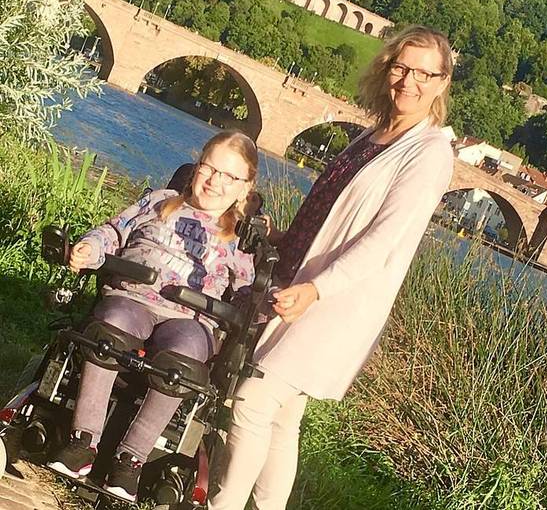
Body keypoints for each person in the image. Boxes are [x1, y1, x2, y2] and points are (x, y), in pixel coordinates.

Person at [209, 25, 455, 509]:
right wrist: (287, 239)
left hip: (335, 300)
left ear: (443, 82)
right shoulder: (374, 134)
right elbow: (330, 209)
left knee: (253, 403)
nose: (410, 81)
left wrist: (318, 288)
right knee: (281, 418)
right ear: (388, 68)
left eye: (425, 73)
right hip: (300, 280)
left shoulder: (429, 154)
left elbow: (383, 240)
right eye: (402, 67)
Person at [47, 130, 260, 502]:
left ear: (245, 188)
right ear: (196, 168)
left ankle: (131, 461)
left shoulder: (240, 240)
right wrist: (89, 249)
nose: (214, 182)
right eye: (209, 169)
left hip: (191, 319)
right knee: (112, 325)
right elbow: (114, 232)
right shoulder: (160, 202)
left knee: (187, 354)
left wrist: (259, 308)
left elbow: (246, 295)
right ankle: (83, 442)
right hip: (133, 297)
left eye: (229, 177)